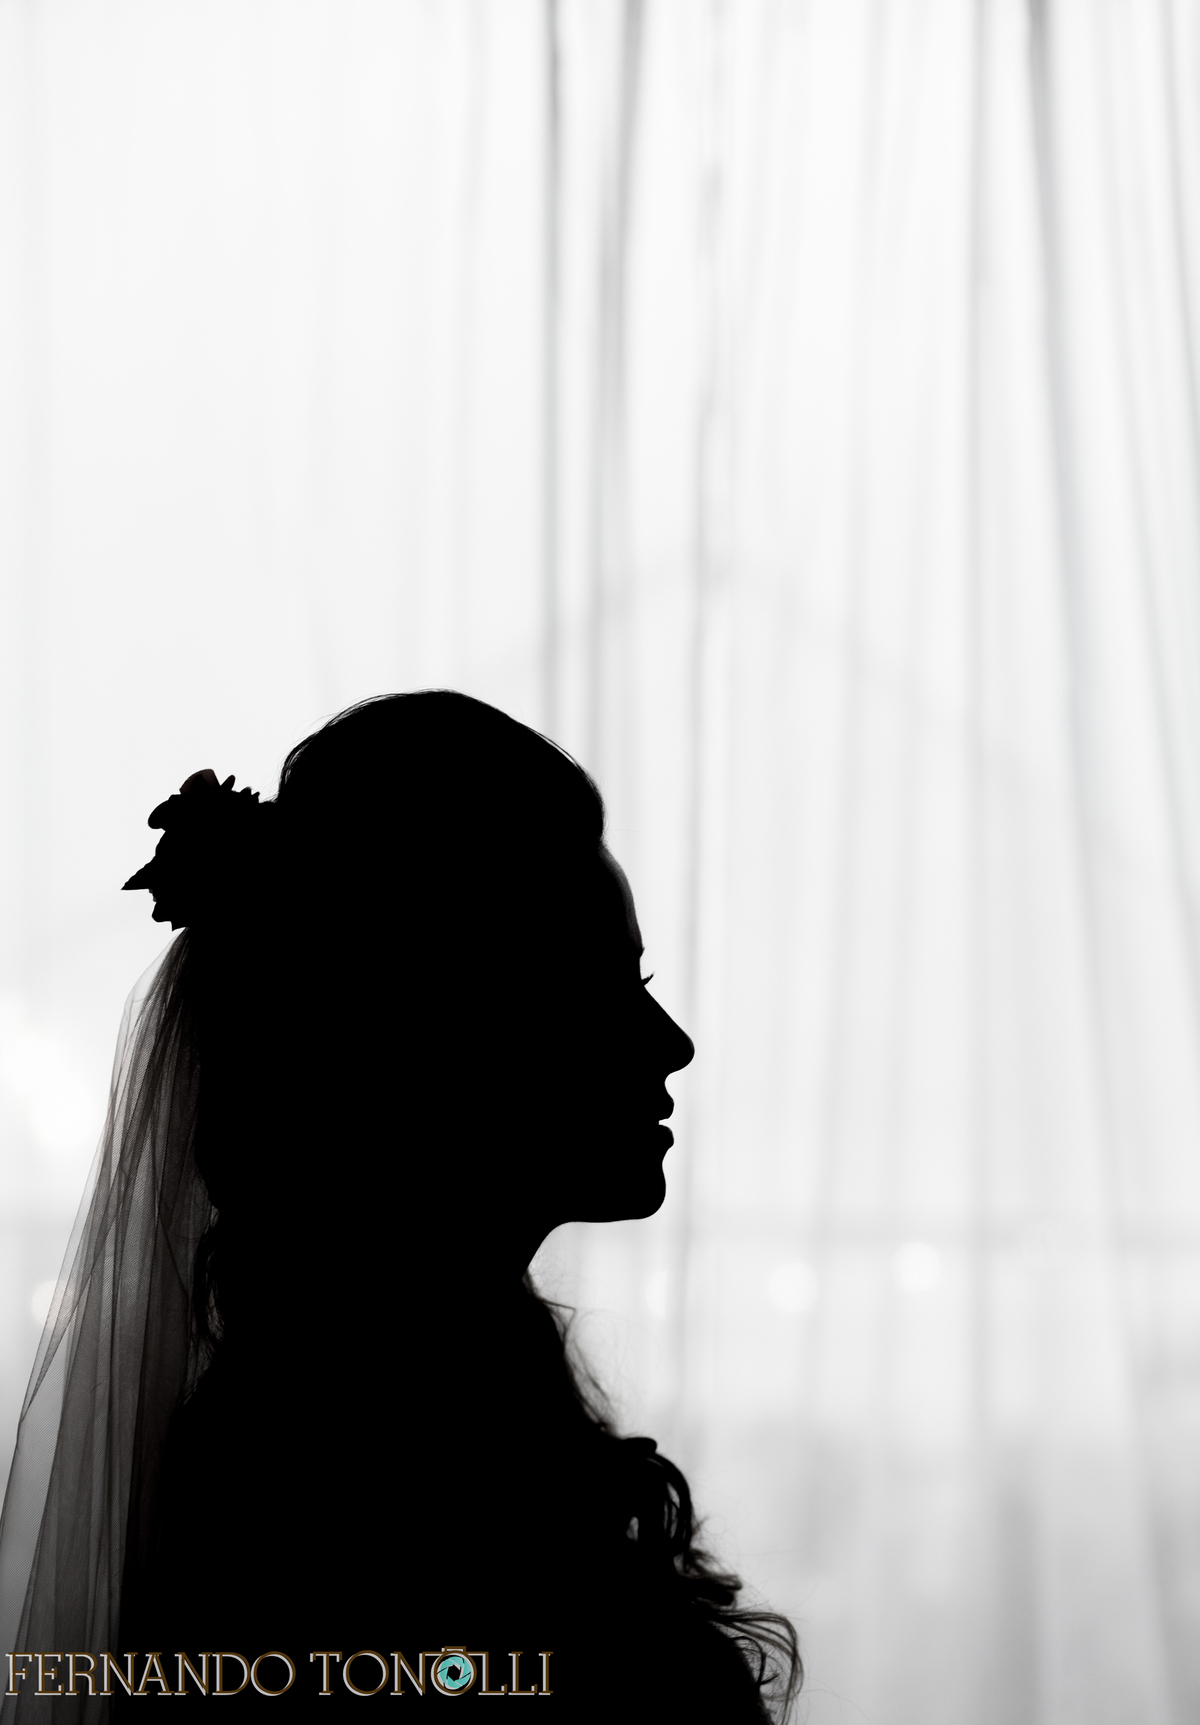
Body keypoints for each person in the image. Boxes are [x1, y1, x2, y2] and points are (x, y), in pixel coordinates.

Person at [0, 693, 799, 1721]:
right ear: (434, 1035)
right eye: (596, 988)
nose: (670, 1042)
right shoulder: (344, 1495)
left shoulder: (389, 1419)